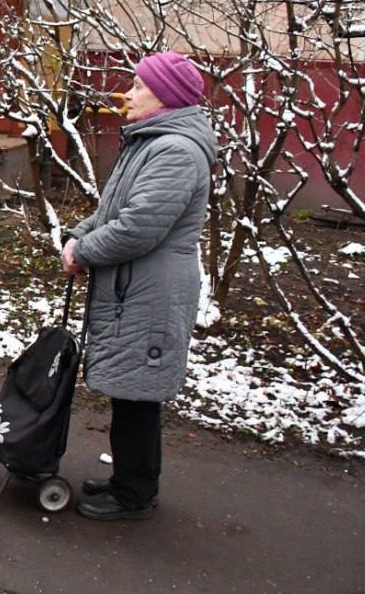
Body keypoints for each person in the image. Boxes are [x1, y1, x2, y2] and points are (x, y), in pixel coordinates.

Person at [61, 51, 217, 520]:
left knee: (138, 395)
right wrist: (77, 236)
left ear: (164, 97)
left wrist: (83, 253)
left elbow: (138, 228)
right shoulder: (151, 142)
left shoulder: (174, 151)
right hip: (137, 288)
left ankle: (134, 493)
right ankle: (128, 481)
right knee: (131, 392)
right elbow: (113, 211)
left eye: (138, 87)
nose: (127, 94)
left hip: (151, 293)